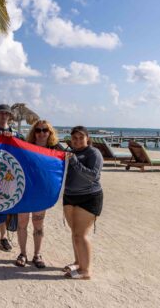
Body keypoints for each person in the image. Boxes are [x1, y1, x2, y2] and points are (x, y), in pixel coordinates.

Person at [15, 119, 60, 268]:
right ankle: (22, 253)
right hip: (24, 191)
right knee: (22, 223)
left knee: (38, 224)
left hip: (42, 192)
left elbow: (64, 165)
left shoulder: (56, 150)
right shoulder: (26, 147)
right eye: (38, 130)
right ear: (34, 133)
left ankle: (37, 254)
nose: (41, 133)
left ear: (50, 133)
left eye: (45, 130)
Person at [63, 126, 104, 280]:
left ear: (87, 138)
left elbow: (93, 175)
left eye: (81, 137)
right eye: (74, 138)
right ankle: (78, 262)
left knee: (81, 234)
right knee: (74, 234)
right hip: (69, 197)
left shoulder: (93, 153)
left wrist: (74, 162)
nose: (78, 141)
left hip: (89, 196)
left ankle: (86, 271)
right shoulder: (70, 153)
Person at [0, 104, 25, 252]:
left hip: (9, 175)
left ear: (10, 116)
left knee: (4, 207)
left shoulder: (17, 135)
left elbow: (26, 150)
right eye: (1, 113)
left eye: (6, 114)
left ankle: (3, 237)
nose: (3, 116)